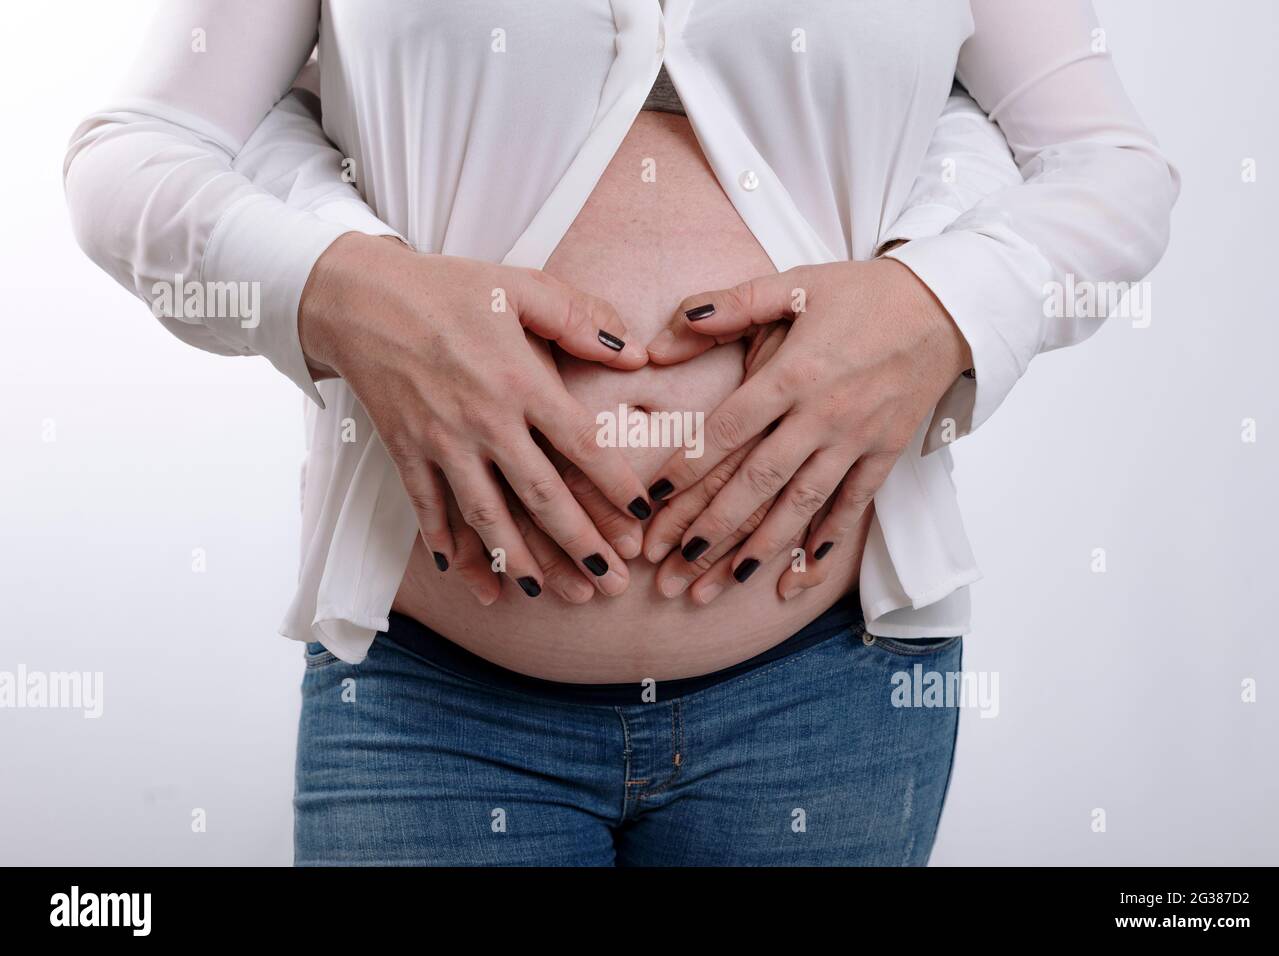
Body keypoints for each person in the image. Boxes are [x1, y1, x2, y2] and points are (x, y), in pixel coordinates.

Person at [64, 0, 1177, 865]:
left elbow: (1109, 166)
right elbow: (135, 155)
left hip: (832, 687)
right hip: (428, 695)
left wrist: (938, 306)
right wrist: (351, 291)